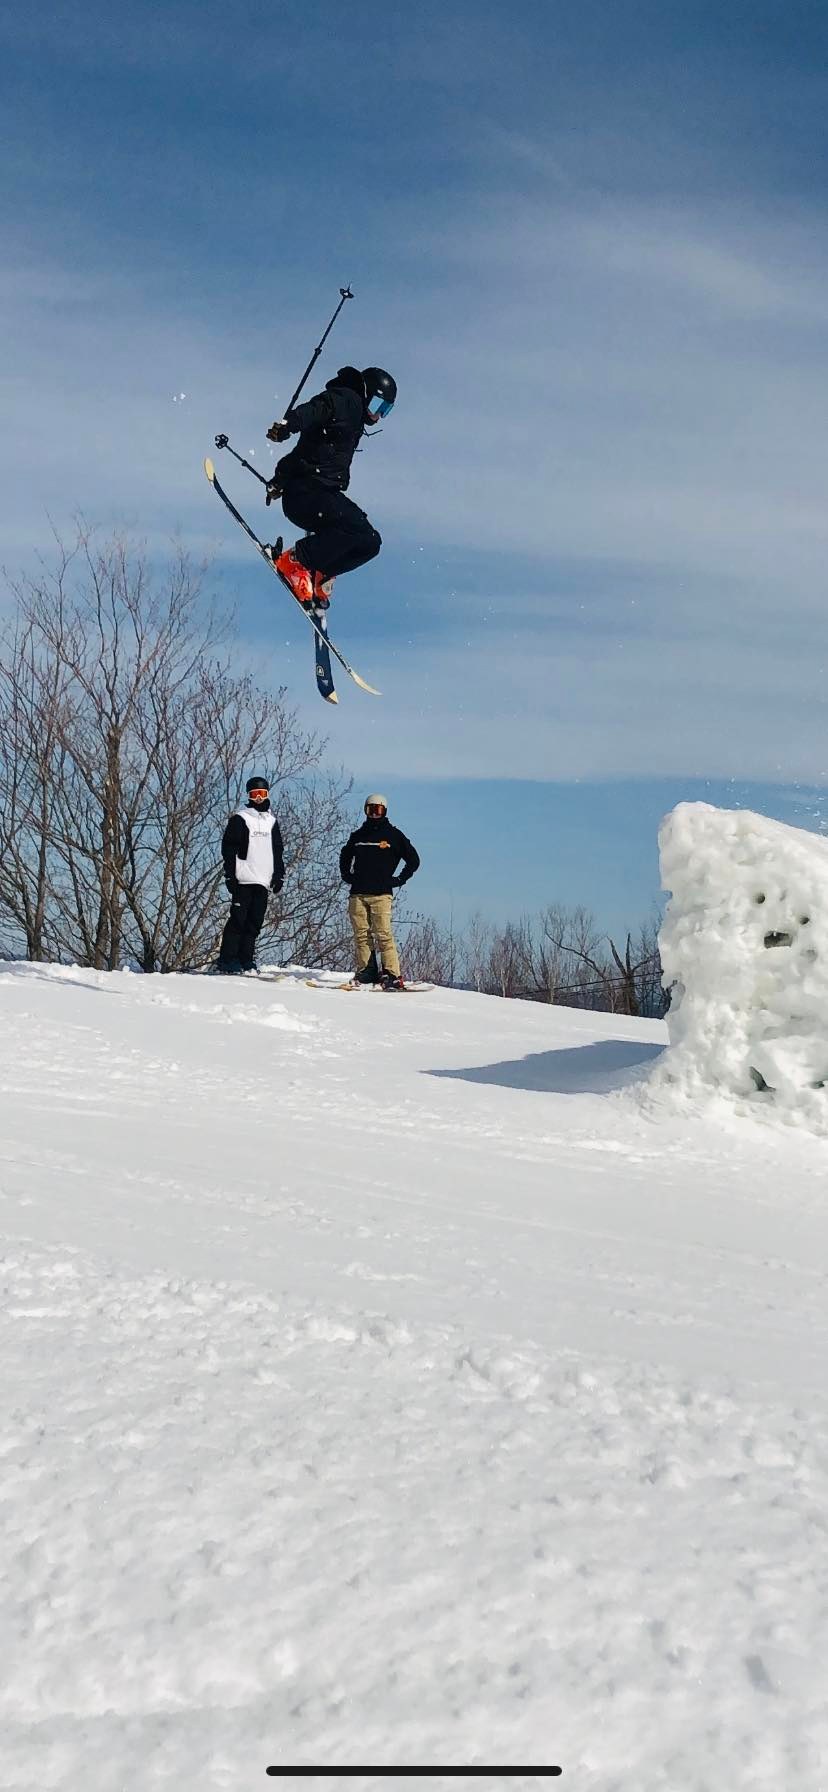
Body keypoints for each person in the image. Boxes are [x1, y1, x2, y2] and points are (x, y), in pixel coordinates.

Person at [264, 366, 397, 609]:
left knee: (370, 542)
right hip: (306, 493)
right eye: (378, 406)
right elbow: (314, 410)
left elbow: (303, 453)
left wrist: (278, 479)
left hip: (321, 494)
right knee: (356, 531)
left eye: (386, 411)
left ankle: (319, 574)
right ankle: (295, 561)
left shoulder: (355, 419)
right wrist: (288, 425)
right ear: (367, 394)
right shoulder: (346, 400)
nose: (379, 416)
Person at [339, 794, 420, 990]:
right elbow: (345, 854)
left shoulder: (393, 836)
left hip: (381, 894)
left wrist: (399, 879)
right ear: (365, 811)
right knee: (361, 934)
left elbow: (413, 860)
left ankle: (392, 973)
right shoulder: (358, 835)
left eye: (378, 810)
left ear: (385, 811)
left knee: (383, 933)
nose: (374, 814)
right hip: (358, 893)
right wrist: (347, 875)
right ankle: (367, 970)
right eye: (371, 810)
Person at [217, 776, 284, 974]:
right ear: (249, 796)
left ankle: (246, 959)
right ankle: (228, 959)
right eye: (255, 795)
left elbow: (277, 849)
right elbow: (229, 848)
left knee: (254, 922)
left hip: (263, 879)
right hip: (244, 878)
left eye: (262, 794)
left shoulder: (271, 821)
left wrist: (279, 874)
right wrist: (230, 875)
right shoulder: (242, 818)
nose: (259, 799)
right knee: (238, 919)